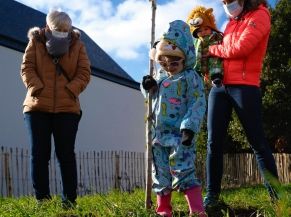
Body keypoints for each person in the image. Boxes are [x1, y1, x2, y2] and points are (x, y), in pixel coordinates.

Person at [203, 0, 279, 210]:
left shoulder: (260, 15)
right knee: (213, 144)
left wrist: (212, 49)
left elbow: (242, 48)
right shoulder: (230, 22)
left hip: (245, 87)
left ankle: (279, 200)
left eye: (229, 0)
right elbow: (225, 53)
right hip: (220, 87)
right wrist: (210, 69)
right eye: (223, 1)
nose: (227, 4)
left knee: (258, 144)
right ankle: (212, 198)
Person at [20, 10, 91, 207]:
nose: (62, 32)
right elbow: (27, 67)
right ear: (48, 27)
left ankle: (69, 201)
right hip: (36, 107)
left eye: (65, 29)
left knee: (66, 155)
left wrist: (70, 90)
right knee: (39, 154)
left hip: (67, 108)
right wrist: (37, 88)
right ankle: (42, 200)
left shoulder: (78, 45)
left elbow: (84, 73)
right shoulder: (36, 41)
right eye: (57, 29)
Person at [141, 20, 207, 217]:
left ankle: (197, 210)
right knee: (160, 173)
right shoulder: (160, 77)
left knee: (184, 169)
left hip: (181, 135)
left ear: (185, 57)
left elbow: (197, 102)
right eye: (163, 61)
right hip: (159, 135)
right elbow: (152, 100)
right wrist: (148, 87)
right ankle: (163, 211)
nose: (169, 65)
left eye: (174, 61)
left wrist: (189, 127)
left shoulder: (190, 77)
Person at [187, 6, 223, 88]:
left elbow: (224, 44)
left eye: (206, 29)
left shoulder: (216, 36)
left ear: (211, 28)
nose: (203, 32)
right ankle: (196, 72)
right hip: (201, 64)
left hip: (214, 61)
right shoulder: (197, 41)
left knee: (214, 60)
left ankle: (216, 76)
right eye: (199, 31)